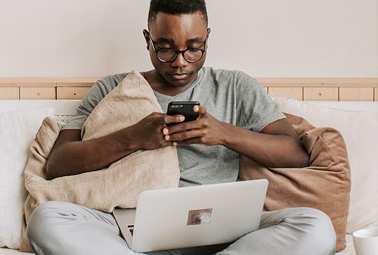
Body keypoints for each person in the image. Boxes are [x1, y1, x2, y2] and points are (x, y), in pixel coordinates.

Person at [26, 0, 337, 254]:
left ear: (207, 39)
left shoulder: (235, 86)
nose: (180, 62)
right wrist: (133, 138)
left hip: (222, 229)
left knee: (316, 226)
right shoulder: (111, 87)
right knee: (46, 220)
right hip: (127, 230)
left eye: (194, 48)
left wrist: (223, 133)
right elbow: (58, 164)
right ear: (147, 39)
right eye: (165, 48)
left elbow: (295, 154)